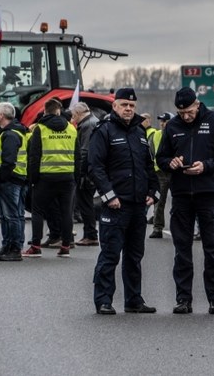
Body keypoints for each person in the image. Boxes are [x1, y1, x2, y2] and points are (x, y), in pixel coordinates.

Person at [156, 87, 214, 315]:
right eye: (181, 113)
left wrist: (207, 166)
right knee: (182, 250)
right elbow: (160, 157)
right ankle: (183, 299)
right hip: (181, 195)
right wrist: (170, 162)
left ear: (197, 104)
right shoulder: (172, 126)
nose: (186, 116)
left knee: (212, 248)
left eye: (189, 112)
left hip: (208, 194)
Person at [88, 88, 160, 315]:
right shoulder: (104, 131)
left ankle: (134, 300)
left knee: (134, 256)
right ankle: (103, 300)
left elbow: (149, 166)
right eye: (123, 105)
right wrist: (109, 196)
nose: (128, 109)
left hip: (138, 205)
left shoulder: (140, 132)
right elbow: (95, 167)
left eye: (132, 106)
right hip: (115, 205)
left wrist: (154, 191)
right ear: (115, 106)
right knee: (110, 254)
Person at [25, 98, 77, 258]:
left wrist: (32, 179)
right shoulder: (71, 128)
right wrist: (76, 177)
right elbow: (77, 156)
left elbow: (34, 156)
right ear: (58, 111)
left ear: (45, 111)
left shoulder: (40, 128)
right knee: (66, 212)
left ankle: (35, 246)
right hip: (67, 177)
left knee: (38, 211)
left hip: (45, 177)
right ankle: (66, 246)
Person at [0, 102, 28, 262]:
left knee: (11, 216)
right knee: (9, 216)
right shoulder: (10, 132)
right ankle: (8, 245)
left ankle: (14, 248)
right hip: (12, 179)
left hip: (9, 180)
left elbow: (8, 160)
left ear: (1, 116)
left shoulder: (10, 134)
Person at [71, 102, 99, 246]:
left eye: (73, 115)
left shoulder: (87, 125)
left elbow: (84, 151)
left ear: (79, 114)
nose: (72, 118)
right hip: (92, 170)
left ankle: (91, 235)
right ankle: (90, 234)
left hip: (87, 173)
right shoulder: (93, 121)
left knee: (85, 203)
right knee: (86, 203)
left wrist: (79, 173)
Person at [149, 112, 174, 239]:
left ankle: (178, 227)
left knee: (179, 202)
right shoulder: (155, 135)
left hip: (175, 172)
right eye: (161, 121)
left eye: (165, 121)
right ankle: (157, 228)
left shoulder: (177, 133)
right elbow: (150, 154)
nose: (163, 123)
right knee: (159, 201)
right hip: (160, 173)